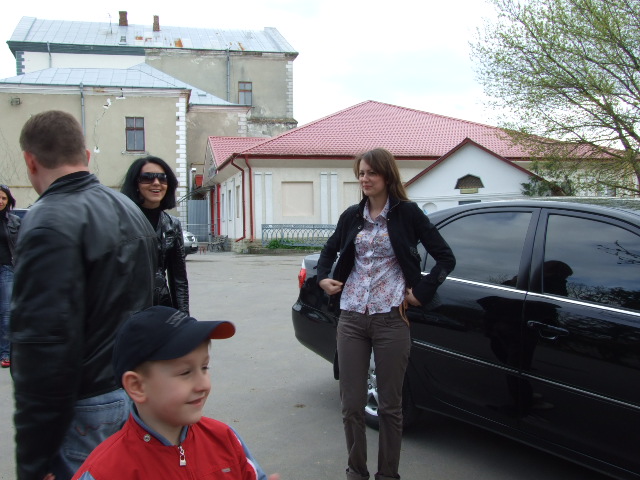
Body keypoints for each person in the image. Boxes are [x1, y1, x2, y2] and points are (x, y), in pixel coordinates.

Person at [12, 110, 158, 480]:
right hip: (131, 389)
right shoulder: (128, 208)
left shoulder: (46, 221)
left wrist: (33, 460)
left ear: (30, 161)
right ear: (86, 156)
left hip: (86, 403)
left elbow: (43, 345)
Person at [317, 148, 456, 480]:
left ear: (387, 175)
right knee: (351, 405)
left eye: (371, 173)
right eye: (361, 173)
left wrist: (422, 292)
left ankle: (388, 475)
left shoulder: (408, 214)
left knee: (390, 407)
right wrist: (323, 277)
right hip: (351, 317)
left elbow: (445, 257)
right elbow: (329, 249)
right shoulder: (352, 216)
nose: (364, 179)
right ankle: (356, 472)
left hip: (391, 318)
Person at [71, 306, 280, 480]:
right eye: (185, 372)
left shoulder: (224, 438)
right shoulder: (106, 471)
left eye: (204, 367)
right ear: (137, 386)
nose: (203, 384)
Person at [121, 156, 189, 314]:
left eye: (162, 178)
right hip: (127, 310)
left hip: (161, 307)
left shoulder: (172, 224)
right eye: (147, 178)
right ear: (135, 184)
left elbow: (179, 279)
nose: (156, 183)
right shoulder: (122, 220)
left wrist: (184, 319)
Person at [0, 184, 20, 368]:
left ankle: (5, 353)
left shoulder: (14, 221)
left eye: (4, 198)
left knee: (6, 312)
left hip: (7, 269)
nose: (0, 201)